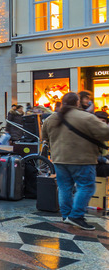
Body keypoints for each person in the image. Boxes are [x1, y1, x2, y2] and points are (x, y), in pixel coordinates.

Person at [42, 92, 109, 231]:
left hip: (59, 159)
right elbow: (105, 132)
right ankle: (76, 216)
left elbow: (44, 137)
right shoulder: (86, 117)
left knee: (65, 188)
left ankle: (67, 216)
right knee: (87, 187)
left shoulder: (51, 119)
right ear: (77, 103)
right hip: (82, 159)